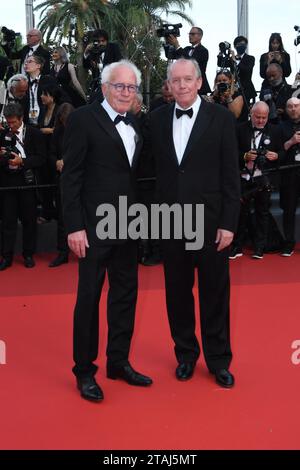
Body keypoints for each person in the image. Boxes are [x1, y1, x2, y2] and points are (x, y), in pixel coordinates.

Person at [61, 60, 153, 402]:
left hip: (128, 225)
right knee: (89, 298)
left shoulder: (137, 123)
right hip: (93, 226)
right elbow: (71, 176)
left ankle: (118, 361)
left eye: (131, 87)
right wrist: (74, 226)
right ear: (104, 88)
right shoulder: (84, 119)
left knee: (125, 294)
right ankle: (84, 371)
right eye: (119, 86)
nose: (125, 92)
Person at [146, 58, 240, 387]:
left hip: (211, 223)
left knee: (215, 294)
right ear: (168, 85)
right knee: (177, 294)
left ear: (200, 82)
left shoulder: (222, 119)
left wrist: (229, 223)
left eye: (188, 79)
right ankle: (185, 354)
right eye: (176, 80)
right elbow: (148, 174)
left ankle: (218, 360)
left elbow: (231, 176)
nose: (182, 85)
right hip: (171, 222)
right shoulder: (155, 120)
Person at [229, 101, 283, 260]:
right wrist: (244, 156)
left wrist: (276, 156)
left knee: (262, 213)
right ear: (251, 114)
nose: (260, 120)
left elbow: (282, 152)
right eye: (257, 117)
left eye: (264, 117)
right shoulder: (239, 129)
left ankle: (259, 247)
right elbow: (231, 151)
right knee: (240, 214)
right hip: (244, 177)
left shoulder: (276, 130)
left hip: (263, 178)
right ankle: (236, 246)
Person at [0, 103, 46, 270]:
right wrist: (5, 158)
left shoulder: (34, 134)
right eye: (8, 122)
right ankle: (6, 256)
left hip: (27, 182)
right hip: (8, 184)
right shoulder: (3, 134)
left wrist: (23, 162)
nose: (10, 125)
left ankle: (28, 254)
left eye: (13, 122)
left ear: (21, 119)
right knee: (8, 221)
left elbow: (42, 158)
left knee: (29, 221)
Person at [48, 102, 75, 267]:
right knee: (62, 218)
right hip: (62, 179)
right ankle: (63, 252)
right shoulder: (57, 133)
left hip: (81, 180)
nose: (65, 124)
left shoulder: (82, 131)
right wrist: (56, 161)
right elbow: (50, 153)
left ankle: (89, 251)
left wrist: (69, 161)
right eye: (63, 120)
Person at [279, 97, 300, 256]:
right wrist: (291, 141)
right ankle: (288, 243)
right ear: (286, 109)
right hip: (289, 173)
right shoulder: (280, 127)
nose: (293, 109)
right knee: (289, 209)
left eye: (296, 106)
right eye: (290, 106)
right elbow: (278, 152)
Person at [166, 27, 211, 95]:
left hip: (199, 87)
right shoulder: (186, 49)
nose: (190, 36)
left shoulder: (203, 50)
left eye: (193, 34)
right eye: (189, 34)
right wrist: (168, 43)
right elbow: (170, 55)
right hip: (185, 85)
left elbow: (191, 63)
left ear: (200, 36)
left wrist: (177, 45)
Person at [232, 36, 256, 106]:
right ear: (235, 46)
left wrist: (236, 62)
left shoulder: (250, 58)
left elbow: (247, 70)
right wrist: (222, 52)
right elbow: (220, 64)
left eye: (243, 44)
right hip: (233, 89)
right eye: (239, 44)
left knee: (245, 111)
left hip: (246, 89)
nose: (241, 46)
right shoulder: (232, 58)